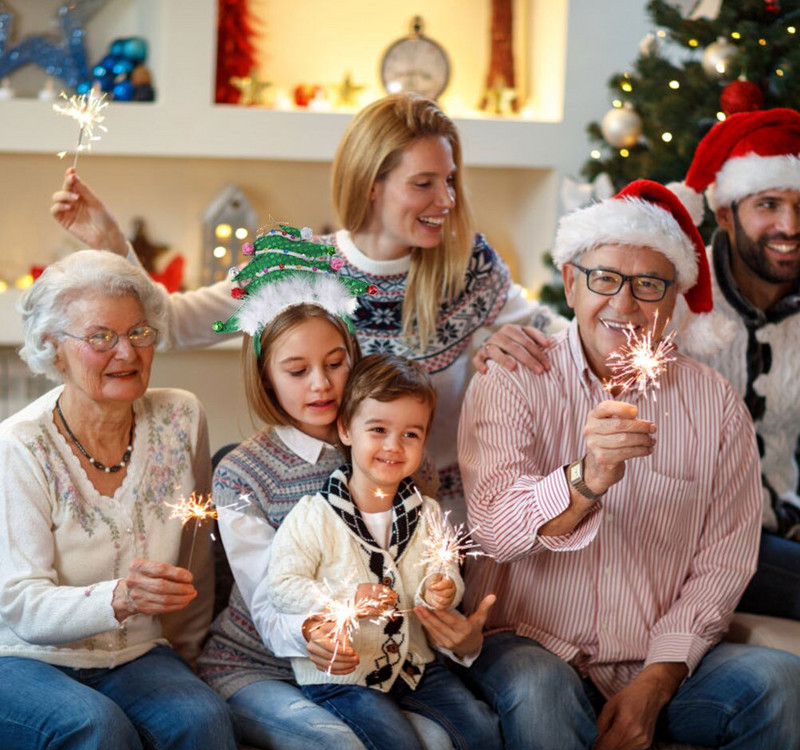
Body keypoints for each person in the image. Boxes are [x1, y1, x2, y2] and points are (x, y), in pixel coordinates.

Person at [49, 92, 564, 525]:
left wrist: (508, 342)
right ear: (372, 185)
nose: (446, 200)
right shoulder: (298, 266)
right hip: (328, 520)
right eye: (423, 183)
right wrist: (112, 243)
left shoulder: (469, 268)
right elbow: (174, 325)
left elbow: (563, 341)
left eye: (450, 180)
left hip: (444, 524)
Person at [457, 180, 800, 750]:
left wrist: (659, 678)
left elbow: (724, 562)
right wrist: (584, 481)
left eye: (649, 284)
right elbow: (493, 530)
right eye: (605, 278)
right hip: (530, 645)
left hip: (649, 656)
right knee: (538, 692)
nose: (625, 302)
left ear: (674, 299)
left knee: (780, 685)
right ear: (570, 283)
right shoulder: (511, 378)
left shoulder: (714, 404)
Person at [195, 227, 480, 750]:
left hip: (366, 665)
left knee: (443, 746)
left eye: (335, 363)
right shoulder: (242, 474)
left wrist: (455, 625)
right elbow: (269, 602)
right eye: (297, 370)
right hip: (258, 667)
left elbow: (422, 569)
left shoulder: (391, 449)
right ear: (266, 376)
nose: (322, 384)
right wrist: (313, 631)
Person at [0, 251, 241, 750]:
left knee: (203, 720)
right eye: (101, 337)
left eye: (138, 331)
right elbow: (20, 604)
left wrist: (187, 659)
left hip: (136, 656)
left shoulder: (181, 417)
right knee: (97, 729)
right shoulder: (19, 446)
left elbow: (195, 557)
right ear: (53, 349)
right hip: (19, 660)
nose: (127, 352)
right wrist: (120, 597)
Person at [267, 352, 508, 750]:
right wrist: (345, 598)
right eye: (378, 429)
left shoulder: (428, 512)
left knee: (480, 727)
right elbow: (283, 587)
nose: (394, 446)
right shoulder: (313, 516)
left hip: (415, 666)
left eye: (410, 434)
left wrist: (442, 588)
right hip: (343, 677)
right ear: (346, 430)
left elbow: (445, 568)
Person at [675, 107, 800, 621]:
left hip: (781, 522)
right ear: (725, 213)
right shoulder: (675, 296)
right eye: (768, 204)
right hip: (690, 537)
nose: (789, 226)